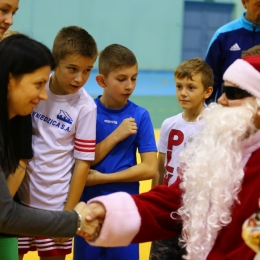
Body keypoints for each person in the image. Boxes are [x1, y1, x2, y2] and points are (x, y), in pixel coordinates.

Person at [83, 55, 260, 260]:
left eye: (232, 93)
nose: (221, 100)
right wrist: (110, 213)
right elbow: (174, 200)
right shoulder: (217, 148)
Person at [0, 34, 99, 260]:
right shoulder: (32, 89)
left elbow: (83, 162)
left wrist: (69, 213)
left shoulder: (85, 106)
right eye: (73, 69)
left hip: (55, 205)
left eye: (87, 70)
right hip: (19, 201)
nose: (80, 78)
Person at [73, 44, 157, 260]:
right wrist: (115, 136)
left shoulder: (140, 115)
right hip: (89, 208)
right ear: (102, 81)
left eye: (134, 78)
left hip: (125, 211)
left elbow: (149, 168)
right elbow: (82, 161)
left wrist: (103, 178)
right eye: (121, 79)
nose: (129, 86)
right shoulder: (87, 111)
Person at [150, 58, 213, 260]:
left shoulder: (214, 124)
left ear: (208, 92)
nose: (183, 93)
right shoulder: (169, 124)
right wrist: (155, 203)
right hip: (168, 209)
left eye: (191, 87)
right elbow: (160, 168)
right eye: (179, 86)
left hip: (199, 214)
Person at [205, 0, 260, 104]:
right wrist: (207, 116)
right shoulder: (223, 35)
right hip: (228, 114)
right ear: (244, 3)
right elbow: (209, 82)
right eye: (259, 5)